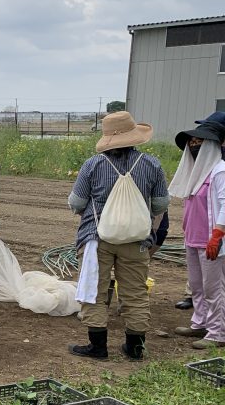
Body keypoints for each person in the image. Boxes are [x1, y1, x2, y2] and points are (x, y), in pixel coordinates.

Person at [68, 111, 169, 360]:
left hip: (96, 237)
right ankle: (135, 347)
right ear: (134, 137)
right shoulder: (152, 164)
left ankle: (98, 346)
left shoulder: (93, 164)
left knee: (96, 291)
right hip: (136, 239)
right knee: (135, 293)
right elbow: (160, 205)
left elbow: (77, 203)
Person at [169, 119, 225, 349]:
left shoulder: (220, 171)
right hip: (193, 238)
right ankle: (200, 322)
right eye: (192, 141)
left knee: (214, 288)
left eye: (199, 141)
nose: (194, 144)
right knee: (197, 285)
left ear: (211, 145)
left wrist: (218, 234)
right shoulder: (195, 172)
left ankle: (217, 332)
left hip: (212, 241)